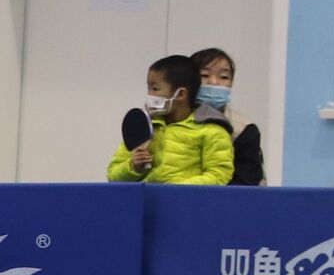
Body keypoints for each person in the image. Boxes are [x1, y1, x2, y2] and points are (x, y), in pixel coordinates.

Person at [105, 53, 235, 185]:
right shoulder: (144, 126)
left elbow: (219, 175)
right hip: (145, 198)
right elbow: (113, 176)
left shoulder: (213, 130)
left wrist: (174, 191)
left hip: (186, 199)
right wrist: (133, 167)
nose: (150, 94)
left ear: (181, 94)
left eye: (155, 88)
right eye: (149, 88)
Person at [189, 45, 267, 185]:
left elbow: (247, 182)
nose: (214, 82)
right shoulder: (169, 121)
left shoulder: (243, 129)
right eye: (204, 75)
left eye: (224, 77)